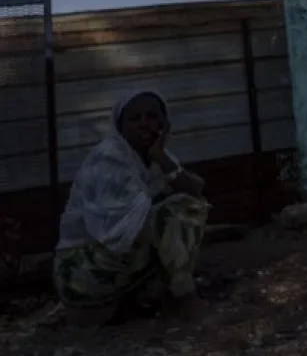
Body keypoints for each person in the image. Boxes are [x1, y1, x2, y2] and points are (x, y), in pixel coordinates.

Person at [53, 91, 210, 325]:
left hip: (115, 262)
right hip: (81, 268)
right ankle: (185, 298)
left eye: (152, 116)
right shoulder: (109, 159)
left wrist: (160, 155)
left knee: (184, 208)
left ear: (164, 122)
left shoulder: (153, 156)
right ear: (120, 126)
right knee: (176, 212)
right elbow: (122, 227)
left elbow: (196, 190)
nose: (144, 124)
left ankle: (159, 297)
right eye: (134, 119)